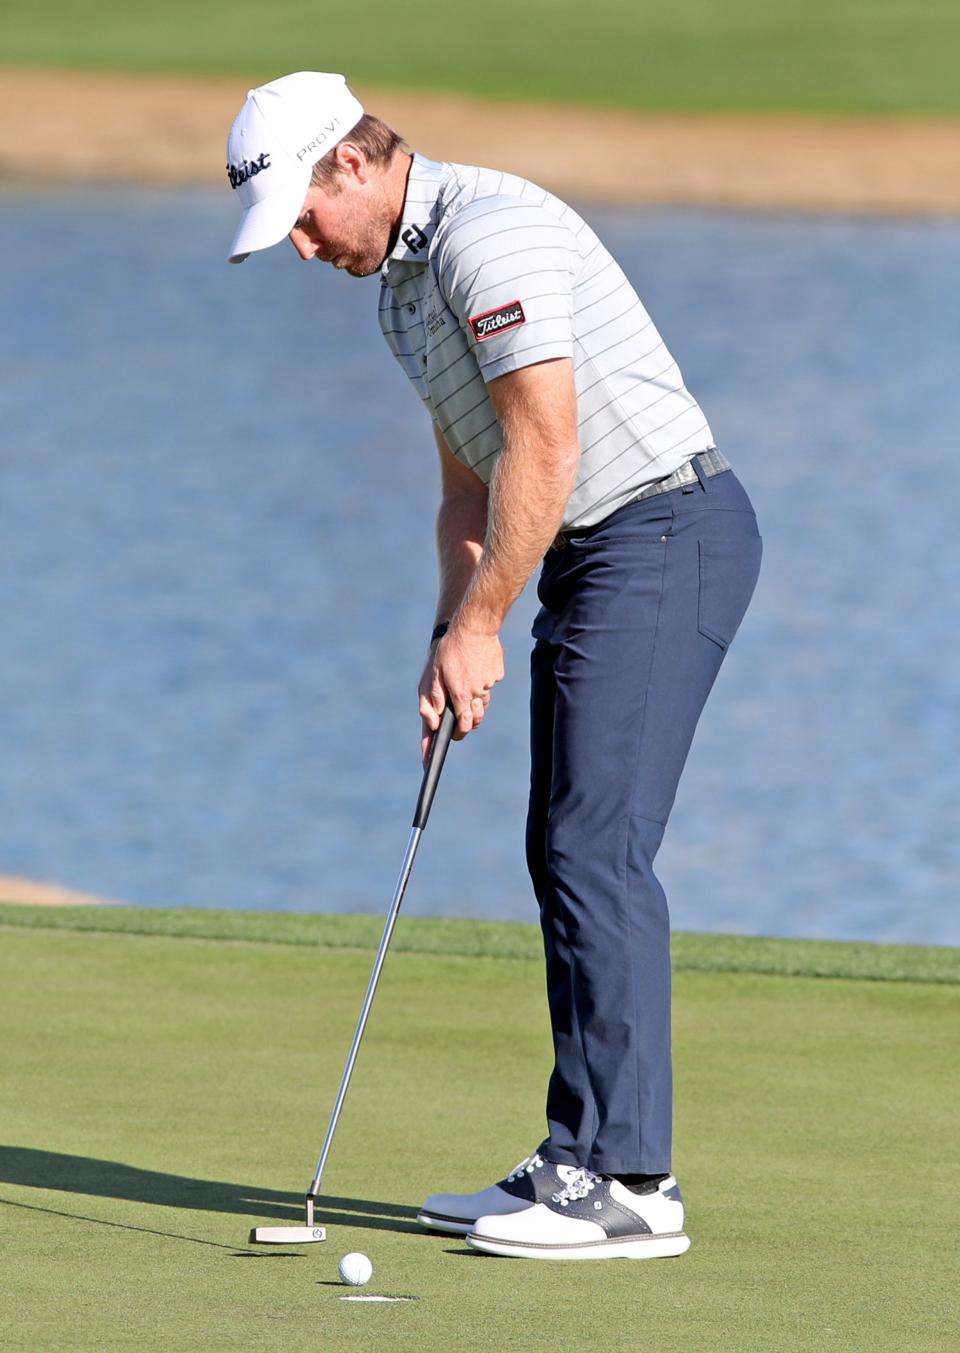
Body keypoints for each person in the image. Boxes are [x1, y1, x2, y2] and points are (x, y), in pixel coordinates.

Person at [225, 71, 762, 1261]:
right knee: (563, 844)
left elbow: (547, 445)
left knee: (592, 845)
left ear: (351, 163)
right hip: (598, 550)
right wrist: (448, 630)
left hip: (662, 532)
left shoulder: (491, 236)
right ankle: (581, 1153)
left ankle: (630, 1181)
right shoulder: (402, 295)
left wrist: (484, 627)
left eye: (306, 220)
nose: (305, 249)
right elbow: (469, 484)